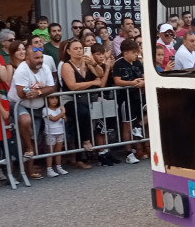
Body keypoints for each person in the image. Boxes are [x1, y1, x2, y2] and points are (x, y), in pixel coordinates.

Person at [59, 38, 110, 169]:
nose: (79, 51)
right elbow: (72, 86)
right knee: (82, 113)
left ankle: (103, 151)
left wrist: (93, 63)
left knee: (102, 109)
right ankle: (85, 144)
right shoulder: (66, 65)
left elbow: (101, 73)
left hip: (86, 98)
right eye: (75, 49)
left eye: (80, 48)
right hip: (70, 99)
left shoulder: (86, 62)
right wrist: (92, 83)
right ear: (69, 51)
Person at [11, 45, 56, 179]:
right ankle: (27, 153)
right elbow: (20, 93)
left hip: (36, 106)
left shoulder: (45, 68)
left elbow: (52, 87)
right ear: (27, 58)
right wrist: (30, 93)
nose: (40, 60)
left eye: (41, 57)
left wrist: (38, 92)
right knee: (25, 120)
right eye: (36, 58)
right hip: (19, 103)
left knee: (34, 139)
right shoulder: (21, 70)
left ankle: (29, 170)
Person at [112, 39, 146, 164]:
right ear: (126, 53)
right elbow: (117, 81)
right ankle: (129, 152)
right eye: (133, 52)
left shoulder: (138, 62)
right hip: (125, 98)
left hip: (139, 96)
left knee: (150, 110)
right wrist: (132, 83)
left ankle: (139, 126)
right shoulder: (118, 64)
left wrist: (143, 82)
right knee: (127, 124)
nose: (136, 54)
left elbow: (144, 76)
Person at [42, 94, 68, 177]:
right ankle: (49, 169)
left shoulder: (59, 109)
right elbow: (54, 119)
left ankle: (59, 167)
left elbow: (65, 119)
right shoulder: (45, 110)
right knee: (50, 151)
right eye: (52, 98)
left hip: (60, 131)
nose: (54, 100)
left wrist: (63, 115)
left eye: (56, 98)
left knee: (58, 151)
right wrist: (63, 112)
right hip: (51, 133)